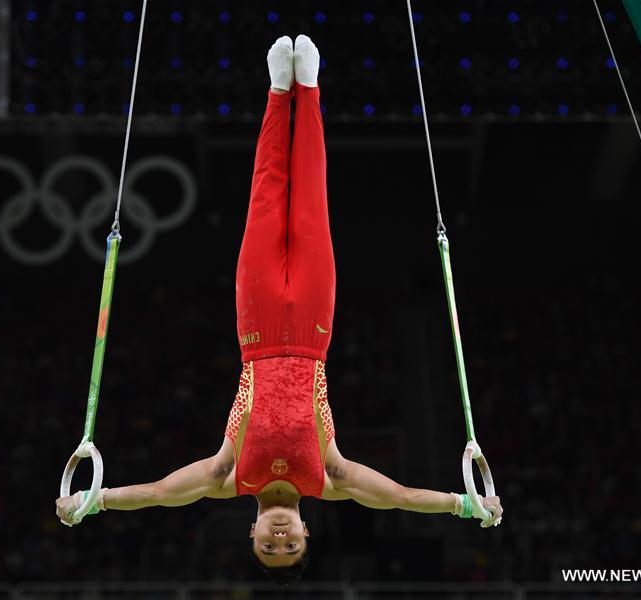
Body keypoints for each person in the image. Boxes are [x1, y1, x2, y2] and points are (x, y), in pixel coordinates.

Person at [56, 35, 502, 584]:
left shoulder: (228, 475)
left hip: (258, 331)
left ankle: (277, 90)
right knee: (311, 202)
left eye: (270, 548)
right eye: (291, 547)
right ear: (308, 533)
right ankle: (309, 88)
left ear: (252, 534)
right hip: (314, 331)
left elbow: (157, 494)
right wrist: (466, 505)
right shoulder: (331, 478)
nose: (280, 538)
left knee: (266, 198)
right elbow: (403, 498)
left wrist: (94, 501)